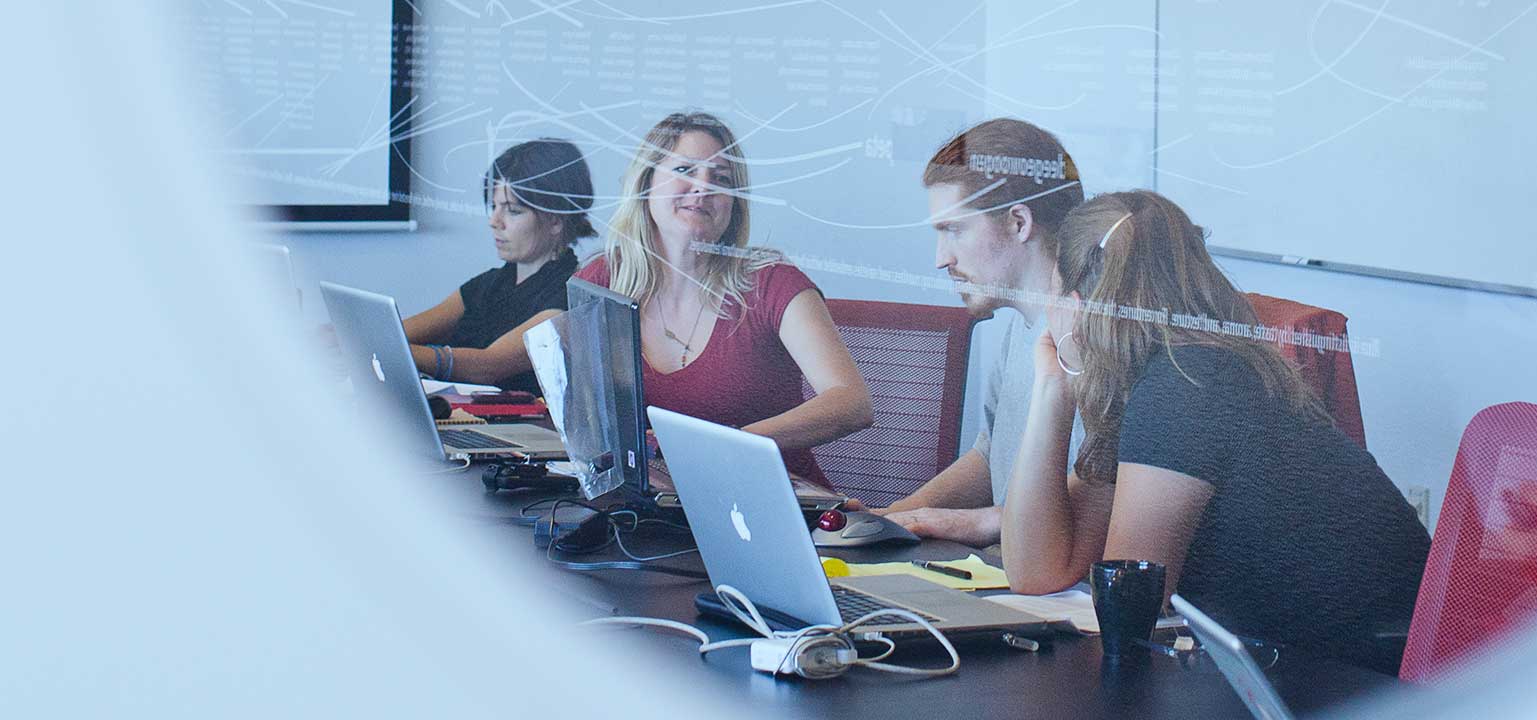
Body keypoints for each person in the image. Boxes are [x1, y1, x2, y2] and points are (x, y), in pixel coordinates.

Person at [1003, 190, 1430, 674]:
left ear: (1074, 306)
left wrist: (1061, 359)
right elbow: (1038, 571)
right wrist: (1053, 384)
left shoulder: (1186, 387)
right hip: (1311, 665)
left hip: (1358, 681)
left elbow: (1128, 615)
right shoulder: (1168, 377)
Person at [572, 111, 872, 485]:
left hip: (770, 503)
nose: (703, 188)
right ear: (645, 183)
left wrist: (725, 445)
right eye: (685, 170)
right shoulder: (601, 281)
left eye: (721, 179)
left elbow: (852, 403)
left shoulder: (772, 284)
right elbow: (582, 415)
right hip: (655, 504)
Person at [875, 118, 1086, 546]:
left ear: (1018, 223)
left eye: (953, 229)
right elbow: (991, 457)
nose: (940, 259)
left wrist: (972, 522)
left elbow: (1092, 500)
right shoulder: (1021, 327)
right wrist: (895, 518)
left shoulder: (1086, 337)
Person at [402, 138, 595, 393]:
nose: (494, 221)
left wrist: (387, 347)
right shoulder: (489, 283)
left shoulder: (572, 296)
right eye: (493, 207)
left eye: (513, 211)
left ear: (556, 220)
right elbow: (400, 332)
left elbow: (488, 366)